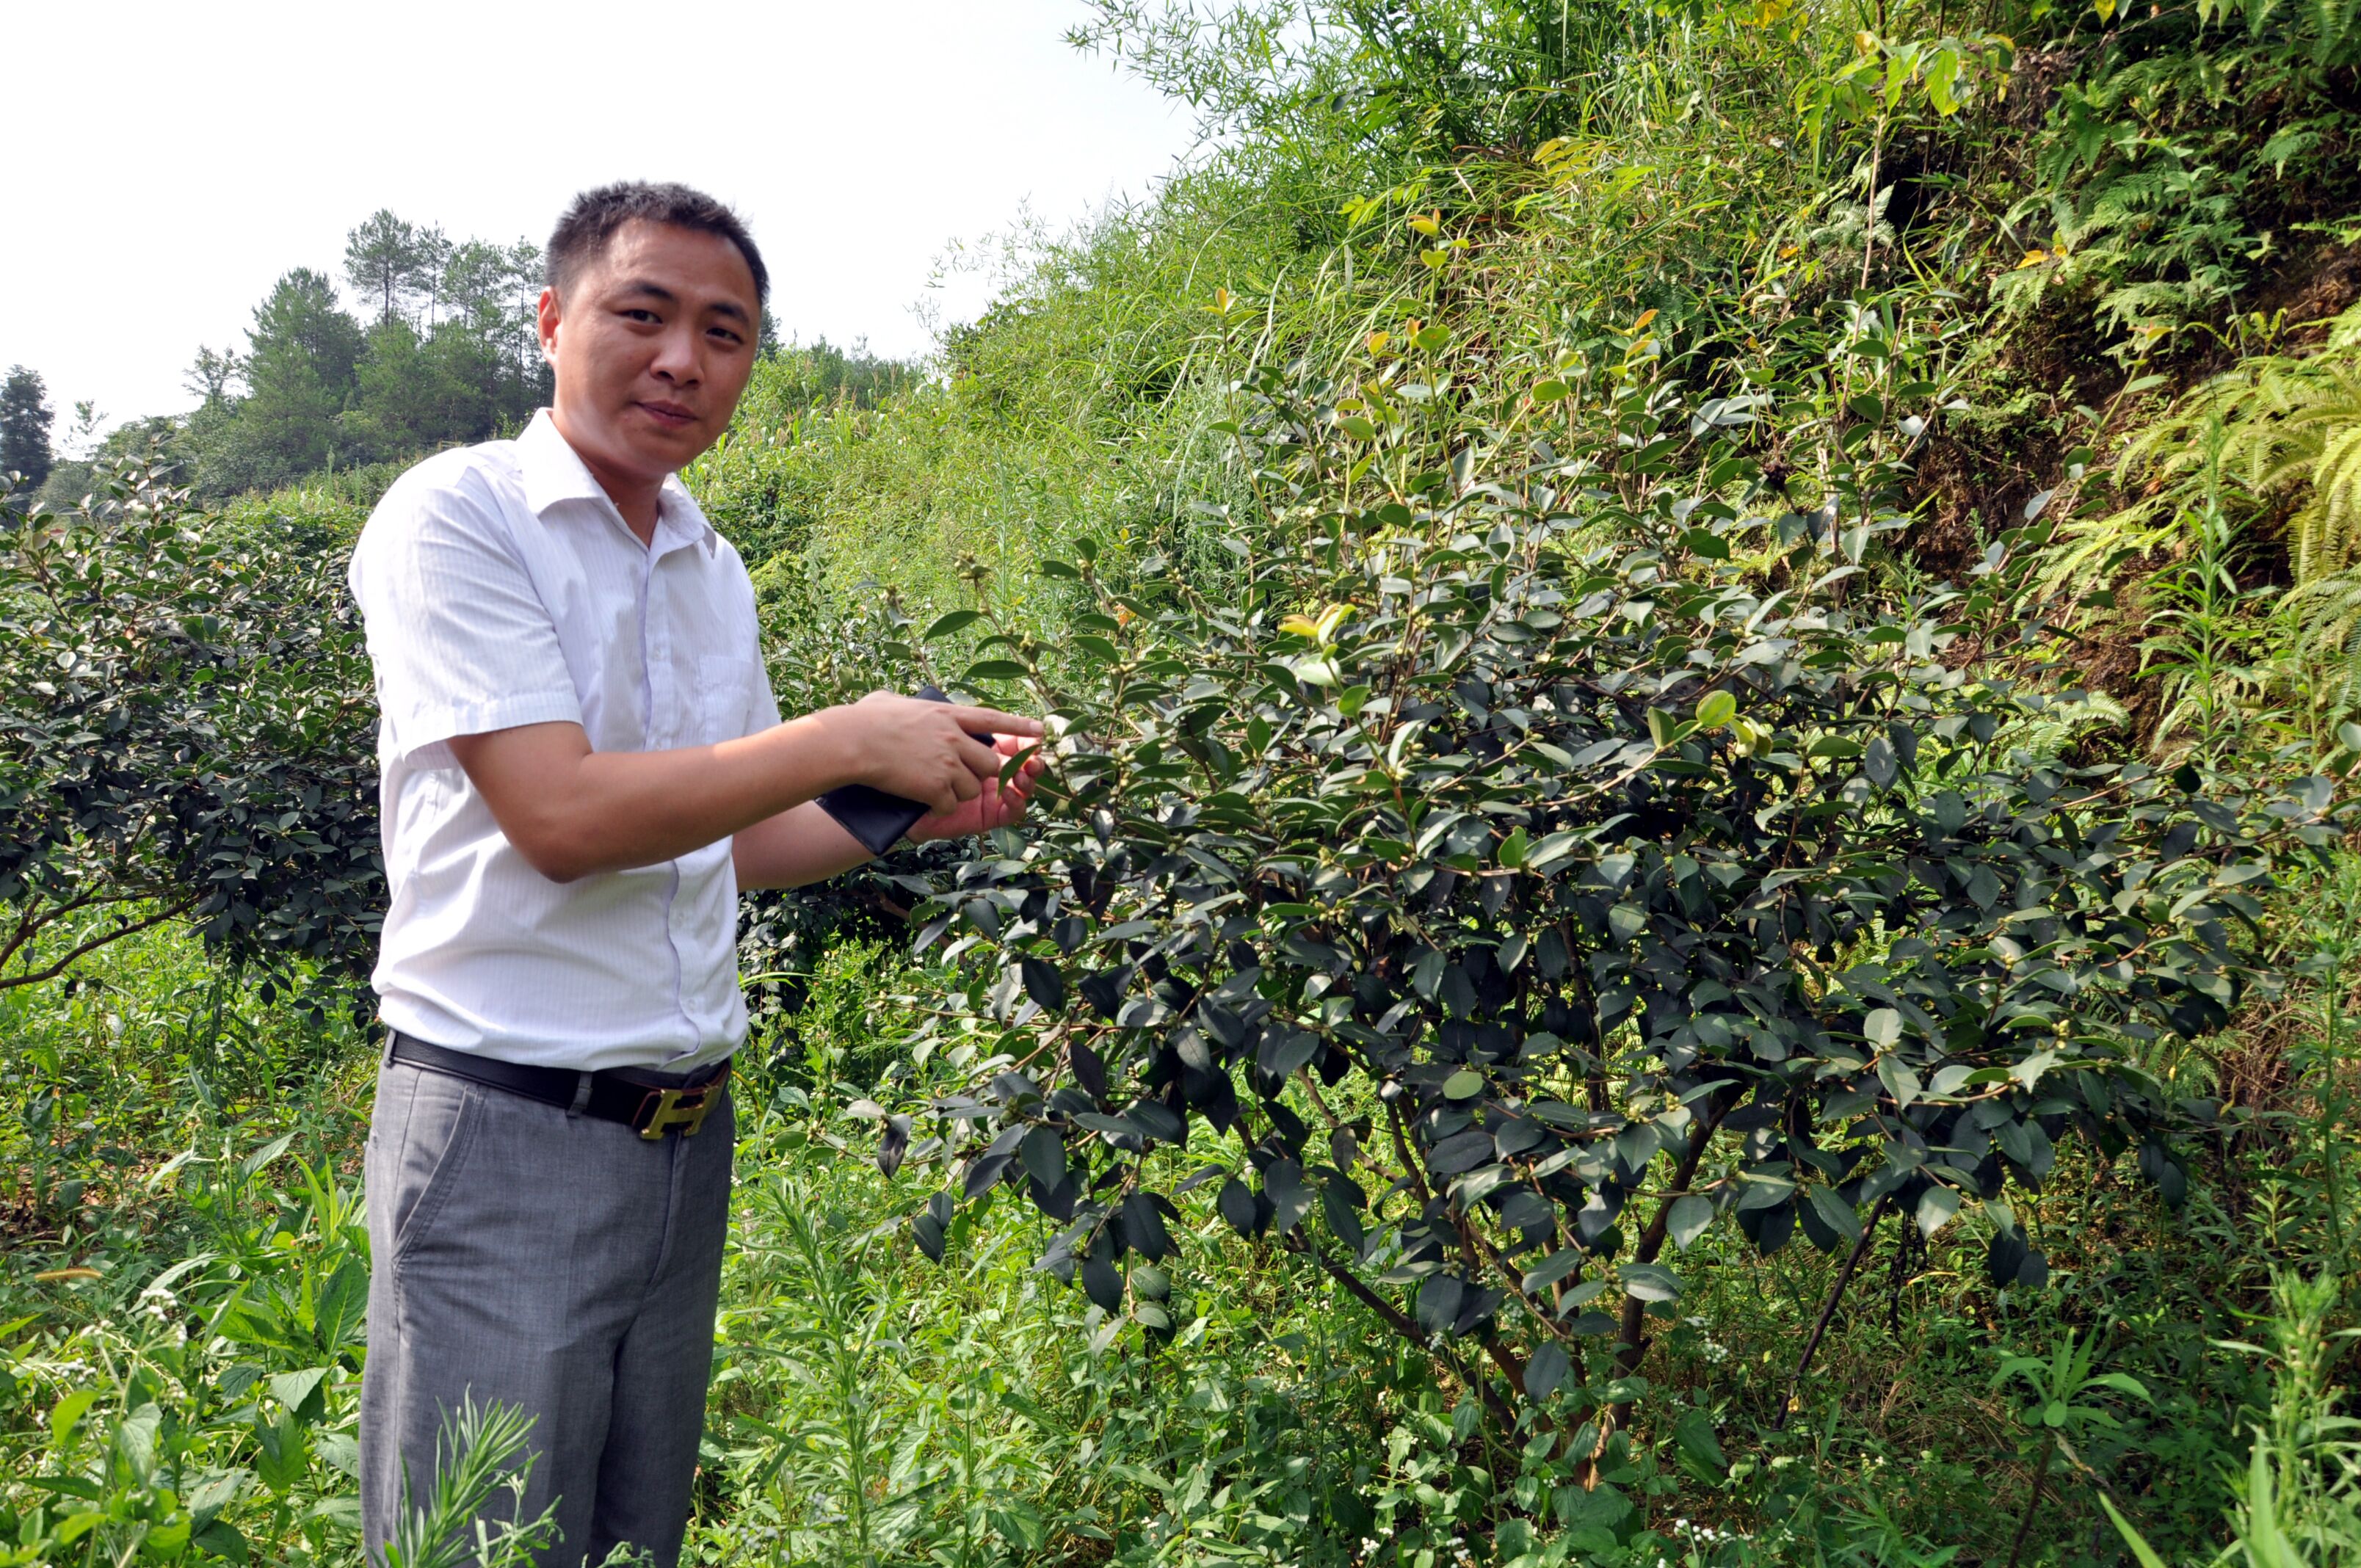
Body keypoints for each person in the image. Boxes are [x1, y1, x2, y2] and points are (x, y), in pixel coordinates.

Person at [345, 181, 1042, 1567]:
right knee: (479, 1545)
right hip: (502, 1131)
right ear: (552, 322)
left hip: (679, 1141)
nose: (682, 359)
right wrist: (849, 734)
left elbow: (725, 843)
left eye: (724, 333)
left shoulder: (710, 563)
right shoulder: (459, 516)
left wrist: (921, 810)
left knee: (627, 1537)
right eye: (642, 314)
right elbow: (562, 818)